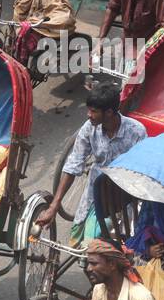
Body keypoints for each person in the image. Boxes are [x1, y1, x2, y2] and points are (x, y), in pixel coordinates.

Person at [36, 82, 147, 243]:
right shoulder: (89, 128)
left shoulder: (136, 132)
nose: (88, 115)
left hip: (125, 194)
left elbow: (143, 173)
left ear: (109, 112)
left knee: (103, 245)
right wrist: (54, 206)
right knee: (79, 239)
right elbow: (74, 165)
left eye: (93, 111)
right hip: (96, 191)